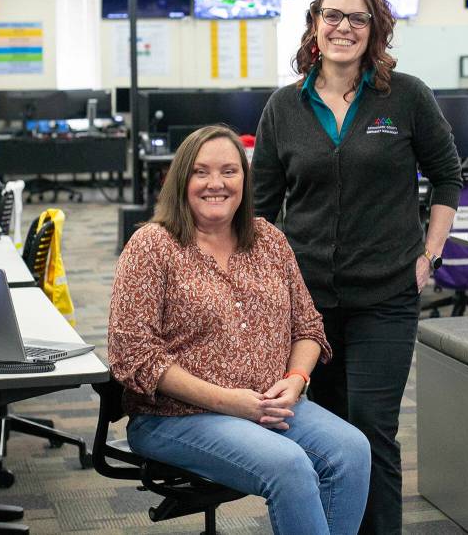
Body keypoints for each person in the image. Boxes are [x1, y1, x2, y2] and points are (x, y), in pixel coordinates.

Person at [253, 0, 463, 534]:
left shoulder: (407, 96)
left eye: (358, 18)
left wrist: (431, 255)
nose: (343, 28)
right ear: (315, 26)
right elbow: (261, 210)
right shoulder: (283, 108)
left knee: (372, 428)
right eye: (333, 16)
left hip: (386, 295)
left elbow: (447, 178)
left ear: (375, 30)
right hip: (310, 305)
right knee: (328, 433)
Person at [108, 125, 372, 535]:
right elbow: (135, 358)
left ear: (245, 181)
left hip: (269, 405)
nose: (217, 184)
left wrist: (296, 379)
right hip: (175, 417)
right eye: (201, 172)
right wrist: (231, 402)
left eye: (229, 171)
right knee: (289, 466)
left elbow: (308, 326)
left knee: (352, 450)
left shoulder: (268, 239)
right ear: (181, 180)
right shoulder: (151, 246)